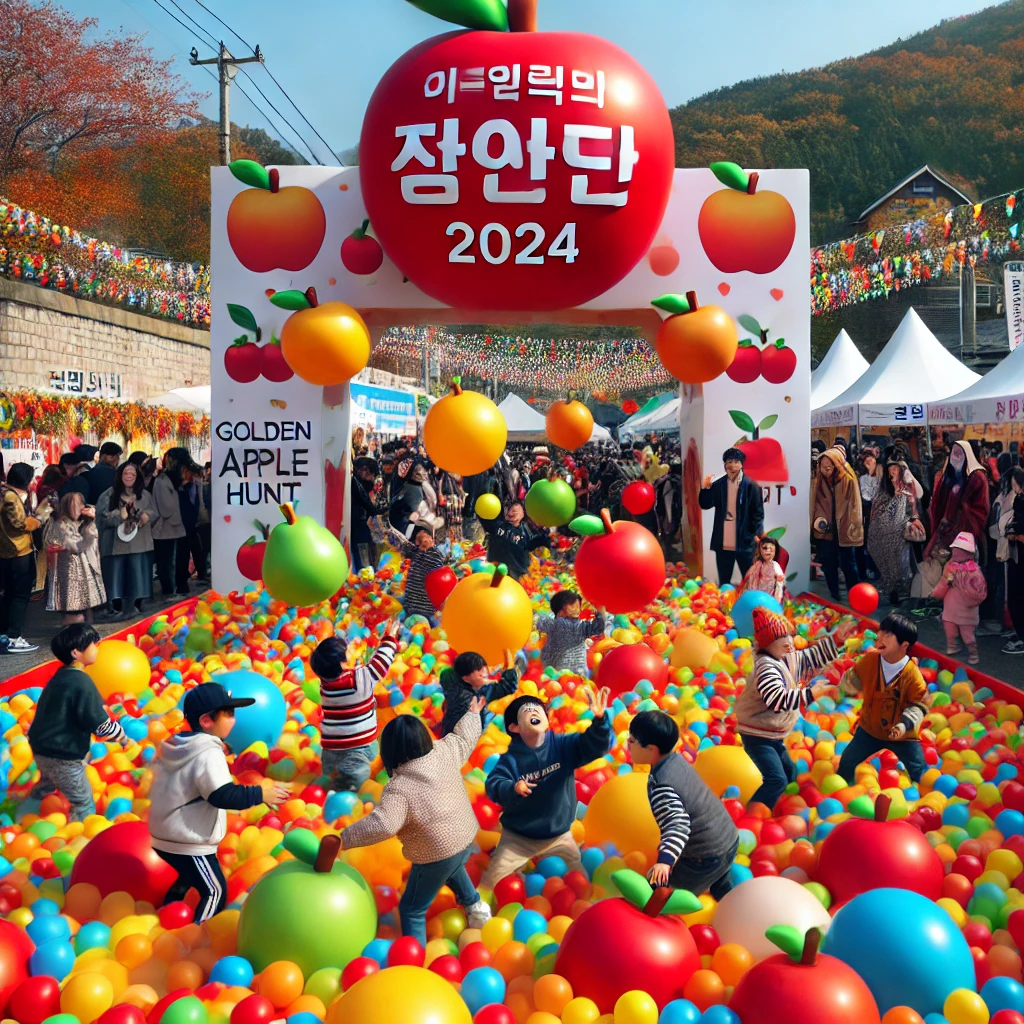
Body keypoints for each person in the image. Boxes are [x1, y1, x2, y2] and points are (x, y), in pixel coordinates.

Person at [341, 699, 492, 943]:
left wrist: (345, 838)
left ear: (388, 753)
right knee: (452, 866)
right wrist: (473, 714)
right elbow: (464, 737)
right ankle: (476, 909)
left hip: (436, 853)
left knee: (412, 908)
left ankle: (416, 962)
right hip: (465, 838)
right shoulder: (444, 751)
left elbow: (384, 824)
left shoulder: (399, 787)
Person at [148, 682, 290, 922]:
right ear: (206, 721)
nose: (234, 720)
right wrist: (260, 794)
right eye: (229, 714)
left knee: (187, 878)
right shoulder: (208, 753)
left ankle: (166, 914)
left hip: (164, 833)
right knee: (214, 890)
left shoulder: (180, 745)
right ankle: (198, 936)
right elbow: (221, 795)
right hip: (188, 840)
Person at [482, 688, 612, 890]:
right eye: (527, 710)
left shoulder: (562, 746)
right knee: (492, 884)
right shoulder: (512, 759)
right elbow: (494, 784)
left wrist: (600, 721)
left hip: (557, 836)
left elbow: (593, 746)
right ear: (515, 727)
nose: (534, 712)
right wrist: (512, 788)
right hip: (518, 838)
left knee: (580, 884)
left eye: (538, 710)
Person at [735, 607, 853, 810]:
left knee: (790, 774)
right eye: (783, 638)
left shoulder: (785, 657)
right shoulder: (765, 667)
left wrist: (836, 640)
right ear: (768, 643)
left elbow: (810, 657)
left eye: (790, 636)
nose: (790, 642)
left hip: (773, 734)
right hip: (756, 734)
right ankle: (753, 813)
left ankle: (781, 805)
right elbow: (776, 699)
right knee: (776, 779)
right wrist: (812, 693)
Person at [627, 710, 739, 899]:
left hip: (706, 855)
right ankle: (727, 898)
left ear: (651, 749)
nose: (627, 746)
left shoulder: (661, 785)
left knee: (660, 896)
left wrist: (665, 862)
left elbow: (678, 825)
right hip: (728, 838)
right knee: (720, 883)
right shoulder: (676, 760)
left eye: (632, 741)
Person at [27, 624, 130, 820]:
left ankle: (31, 808)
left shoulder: (60, 675)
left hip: (41, 745)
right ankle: (80, 840)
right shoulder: (83, 683)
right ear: (76, 652)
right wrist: (123, 738)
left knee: (48, 780)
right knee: (83, 801)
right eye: (94, 644)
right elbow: (100, 725)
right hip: (63, 754)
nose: (98, 647)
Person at [836, 612, 929, 783]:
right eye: (881, 632)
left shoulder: (912, 675)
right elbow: (855, 679)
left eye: (888, 634)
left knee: (918, 769)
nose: (880, 636)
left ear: (904, 645)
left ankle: (924, 790)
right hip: (869, 729)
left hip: (902, 735)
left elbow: (919, 705)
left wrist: (904, 725)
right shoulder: (870, 660)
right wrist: (843, 685)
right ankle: (843, 787)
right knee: (847, 762)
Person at [311, 618, 400, 792]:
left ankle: (332, 778)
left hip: (331, 748)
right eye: (347, 650)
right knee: (356, 779)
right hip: (358, 748)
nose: (351, 649)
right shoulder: (359, 680)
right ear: (342, 663)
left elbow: (326, 660)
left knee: (333, 775)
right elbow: (380, 663)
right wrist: (389, 639)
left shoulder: (326, 684)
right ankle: (351, 785)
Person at [98, 462, 155, 621]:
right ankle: (116, 606)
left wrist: (146, 516)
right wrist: (119, 515)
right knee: (116, 575)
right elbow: (101, 520)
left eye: (133, 474)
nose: (129, 477)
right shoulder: (108, 495)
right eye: (126, 473)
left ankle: (137, 603)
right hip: (115, 544)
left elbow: (154, 512)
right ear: (119, 475)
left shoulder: (145, 495)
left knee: (138, 573)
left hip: (139, 543)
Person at [699, 448, 764, 587]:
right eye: (729, 461)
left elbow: (758, 513)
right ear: (724, 465)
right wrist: (705, 489)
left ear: (741, 464)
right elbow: (705, 504)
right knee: (724, 582)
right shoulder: (718, 485)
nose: (732, 465)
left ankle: (750, 607)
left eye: (736, 461)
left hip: (745, 541)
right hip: (723, 542)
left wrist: (757, 534)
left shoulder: (751, 485)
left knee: (750, 581)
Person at [43, 492, 105, 625]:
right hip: (68, 573)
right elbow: (76, 546)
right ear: (66, 506)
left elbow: (92, 545)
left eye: (81, 504)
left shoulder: (82, 522)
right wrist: (90, 527)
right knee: (73, 607)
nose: (79, 508)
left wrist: (90, 522)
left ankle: (88, 630)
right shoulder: (60, 524)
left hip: (85, 570)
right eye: (74, 505)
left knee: (87, 606)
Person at [868, 460, 923, 608]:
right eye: (891, 469)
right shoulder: (883, 491)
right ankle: (893, 593)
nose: (893, 472)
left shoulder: (908, 488)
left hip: (901, 534)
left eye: (896, 469)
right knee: (888, 565)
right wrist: (896, 498)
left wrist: (915, 519)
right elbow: (878, 512)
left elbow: (914, 506)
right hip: (883, 534)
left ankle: (903, 593)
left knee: (903, 566)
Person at [811, 447, 863, 601]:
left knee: (848, 564)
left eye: (828, 467)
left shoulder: (848, 479)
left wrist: (849, 523)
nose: (825, 471)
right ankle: (834, 593)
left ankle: (855, 594)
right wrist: (820, 520)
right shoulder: (819, 480)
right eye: (822, 467)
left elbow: (854, 505)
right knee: (828, 562)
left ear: (836, 465)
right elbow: (818, 502)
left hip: (845, 528)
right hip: (827, 529)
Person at [0, 462, 42, 654]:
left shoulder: (3, 491)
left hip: (6, 554)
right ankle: (14, 637)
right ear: (25, 480)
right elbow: (19, 523)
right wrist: (39, 519)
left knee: (8, 595)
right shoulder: (10, 497)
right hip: (17, 553)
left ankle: (4, 635)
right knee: (19, 596)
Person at [926, 440, 990, 562]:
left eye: (960, 453)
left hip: (967, 531)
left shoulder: (976, 476)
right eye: (954, 453)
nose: (956, 456)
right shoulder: (950, 476)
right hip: (947, 529)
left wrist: (957, 504)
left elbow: (979, 508)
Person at [438, 649, 520, 738]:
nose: (483, 674)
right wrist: (510, 669)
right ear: (466, 678)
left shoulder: (459, 687)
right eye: (479, 672)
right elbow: (506, 687)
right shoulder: (470, 698)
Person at [533, 591, 608, 676]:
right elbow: (599, 626)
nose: (577, 609)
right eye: (572, 606)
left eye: (578, 606)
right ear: (561, 611)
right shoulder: (574, 626)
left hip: (560, 675)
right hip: (569, 675)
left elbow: (540, 622)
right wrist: (600, 608)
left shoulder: (555, 624)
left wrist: (536, 616)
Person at [387, 524, 450, 622]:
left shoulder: (426, 554)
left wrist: (386, 531)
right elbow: (400, 544)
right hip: (421, 610)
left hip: (417, 610)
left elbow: (399, 543)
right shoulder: (432, 555)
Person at [482, 502, 551, 581]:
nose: (511, 512)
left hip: (515, 572)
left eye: (515, 511)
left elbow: (535, 543)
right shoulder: (498, 525)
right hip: (495, 567)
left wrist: (547, 540)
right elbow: (485, 520)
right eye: (509, 509)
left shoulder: (526, 532)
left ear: (522, 514)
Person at [152, 450, 187, 597]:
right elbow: (166, 508)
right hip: (166, 528)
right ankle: (168, 591)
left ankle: (170, 590)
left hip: (171, 528)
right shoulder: (163, 481)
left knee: (168, 561)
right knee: (166, 562)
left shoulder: (167, 480)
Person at [1002, 467, 1024, 656]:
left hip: (1020, 556)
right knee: (1016, 596)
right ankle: (1019, 633)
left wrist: (1015, 536)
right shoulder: (1019, 500)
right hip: (1017, 557)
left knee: (1019, 596)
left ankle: (1022, 638)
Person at [351, 457, 387, 573]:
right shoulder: (356, 483)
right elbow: (366, 502)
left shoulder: (355, 482)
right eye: (371, 473)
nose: (372, 478)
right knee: (364, 559)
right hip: (360, 527)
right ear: (364, 471)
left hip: (359, 526)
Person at [737, 536, 786, 602]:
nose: (768, 551)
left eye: (771, 549)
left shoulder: (775, 566)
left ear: (775, 551)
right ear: (760, 550)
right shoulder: (758, 564)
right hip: (753, 598)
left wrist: (777, 601)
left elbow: (779, 585)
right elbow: (747, 579)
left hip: (766, 600)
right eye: (764, 548)